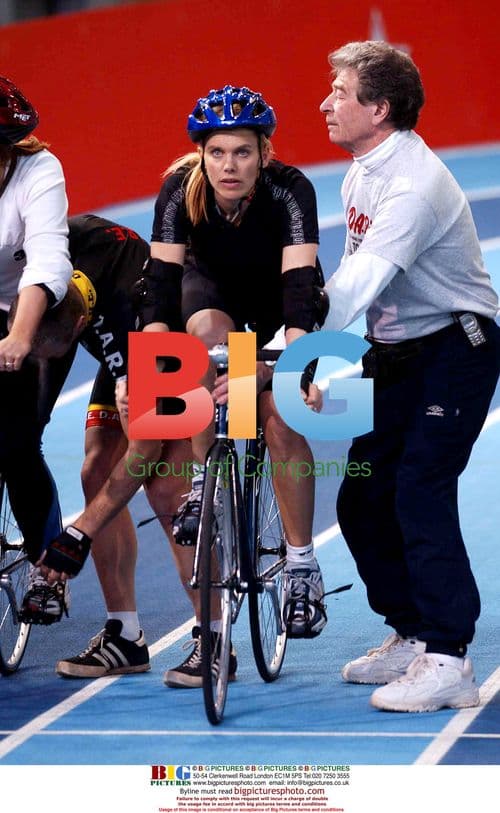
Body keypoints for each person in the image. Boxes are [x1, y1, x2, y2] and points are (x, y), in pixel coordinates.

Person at [40, 85, 329, 687]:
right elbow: (160, 288)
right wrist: (147, 373)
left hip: (274, 305)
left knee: (279, 419)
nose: (229, 165)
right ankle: (205, 484)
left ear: (264, 152)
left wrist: (297, 366)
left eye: (243, 152)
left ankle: (302, 565)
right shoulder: (180, 189)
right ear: (201, 154)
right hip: (210, 299)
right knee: (200, 336)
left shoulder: (290, 190)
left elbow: (301, 287)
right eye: (217, 152)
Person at [319, 41, 500, 712]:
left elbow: (363, 280)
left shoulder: (413, 185)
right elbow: (350, 273)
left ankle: (449, 659)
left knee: (420, 487)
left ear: (379, 108)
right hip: (395, 352)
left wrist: (291, 348)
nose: (325, 103)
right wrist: (317, 351)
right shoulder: (360, 173)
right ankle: (413, 631)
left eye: (340, 92)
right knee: (362, 496)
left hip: (456, 348)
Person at [16, 213, 192, 678]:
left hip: (165, 340)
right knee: (90, 469)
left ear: (78, 329)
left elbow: (144, 452)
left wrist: (79, 533)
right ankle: (125, 637)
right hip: (73, 303)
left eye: (50, 355)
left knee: (166, 489)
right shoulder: (35, 277)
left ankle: (214, 638)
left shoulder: (133, 314)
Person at [0, 75, 72, 618]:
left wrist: (20, 337)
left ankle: (50, 566)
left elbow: (47, 260)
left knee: (16, 442)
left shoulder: (39, 170)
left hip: (30, 308)